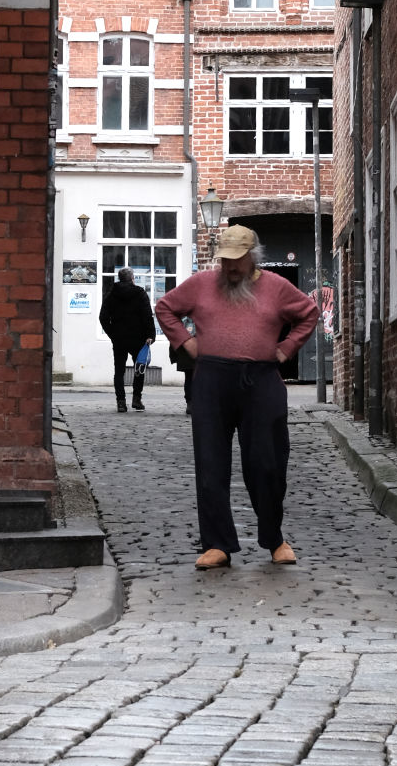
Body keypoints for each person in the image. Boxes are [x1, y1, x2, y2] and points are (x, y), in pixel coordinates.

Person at [155, 225, 319, 570]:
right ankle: (217, 544)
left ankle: (274, 538)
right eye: (225, 260)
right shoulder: (201, 284)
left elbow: (309, 313)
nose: (230, 267)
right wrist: (186, 342)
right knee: (211, 462)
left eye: (237, 260)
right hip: (212, 380)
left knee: (267, 463)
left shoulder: (276, 286)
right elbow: (165, 308)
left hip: (261, 380)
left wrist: (287, 348)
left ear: (252, 257)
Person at [99, 267, 156, 412]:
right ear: (132, 278)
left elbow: (103, 317)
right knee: (139, 368)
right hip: (138, 337)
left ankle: (121, 402)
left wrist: (112, 333)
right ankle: (136, 399)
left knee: (119, 371)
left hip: (119, 338)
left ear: (119, 278)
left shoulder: (112, 294)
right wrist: (150, 335)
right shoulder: (140, 293)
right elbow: (147, 315)